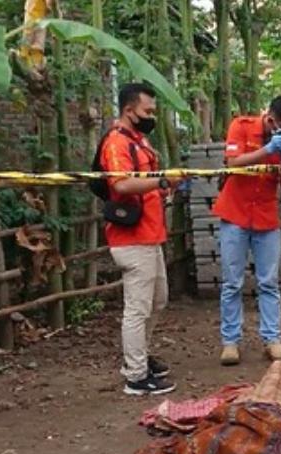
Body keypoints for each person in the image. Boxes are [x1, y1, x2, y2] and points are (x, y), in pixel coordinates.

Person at [97, 83, 185, 395]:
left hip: (149, 235)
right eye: (147, 111)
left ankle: (139, 357)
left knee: (157, 300)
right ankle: (135, 376)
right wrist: (161, 180)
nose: (151, 116)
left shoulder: (139, 141)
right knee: (137, 308)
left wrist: (166, 185)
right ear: (129, 109)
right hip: (131, 239)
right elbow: (120, 185)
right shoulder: (117, 143)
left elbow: (145, 185)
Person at [213, 94, 281, 366]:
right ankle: (230, 342)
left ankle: (272, 340)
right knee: (232, 282)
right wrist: (267, 150)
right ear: (271, 119)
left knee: (269, 282)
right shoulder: (240, 126)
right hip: (235, 214)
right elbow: (233, 163)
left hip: (265, 217)